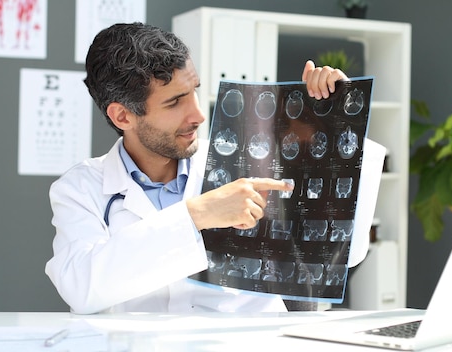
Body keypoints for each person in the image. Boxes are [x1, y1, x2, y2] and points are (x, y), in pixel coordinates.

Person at [45, 22, 348, 314]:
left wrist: (332, 114)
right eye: (175, 102)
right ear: (123, 116)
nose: (199, 114)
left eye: (194, 91)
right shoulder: (80, 189)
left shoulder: (245, 160)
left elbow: (334, 247)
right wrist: (199, 214)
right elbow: (82, 288)